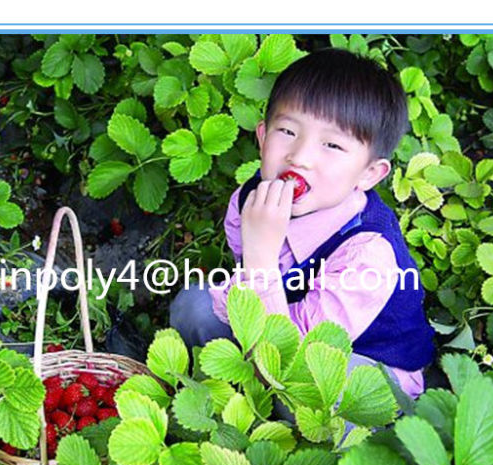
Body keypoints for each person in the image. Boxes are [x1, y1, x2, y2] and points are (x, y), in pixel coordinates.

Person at [169, 48, 435, 404]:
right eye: (287, 131)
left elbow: (292, 361)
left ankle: (305, 429)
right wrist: (256, 259)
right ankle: (233, 395)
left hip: (364, 364)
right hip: (282, 322)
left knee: (310, 396)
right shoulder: (253, 199)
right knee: (195, 306)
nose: (300, 156)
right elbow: (245, 268)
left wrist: (261, 259)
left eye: (332, 144)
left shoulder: (368, 254)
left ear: (370, 173)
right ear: (263, 138)